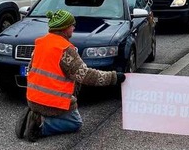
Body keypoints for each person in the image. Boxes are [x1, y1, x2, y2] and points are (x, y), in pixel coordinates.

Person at [16, 9, 126, 142]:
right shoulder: (65, 49)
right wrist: (114, 77)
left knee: (65, 110)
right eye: (72, 25)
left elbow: (31, 68)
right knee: (75, 122)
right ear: (64, 28)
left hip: (33, 99)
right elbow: (87, 76)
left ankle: (33, 114)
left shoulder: (41, 43)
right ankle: (41, 124)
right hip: (51, 103)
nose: (74, 28)